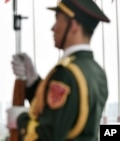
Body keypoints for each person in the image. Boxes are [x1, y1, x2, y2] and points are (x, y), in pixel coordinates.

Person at [7, 0, 110, 140]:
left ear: (73, 25)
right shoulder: (97, 72)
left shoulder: (66, 74)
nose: (53, 28)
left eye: (58, 20)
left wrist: (20, 119)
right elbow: (64, 112)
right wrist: (34, 81)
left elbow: (48, 136)